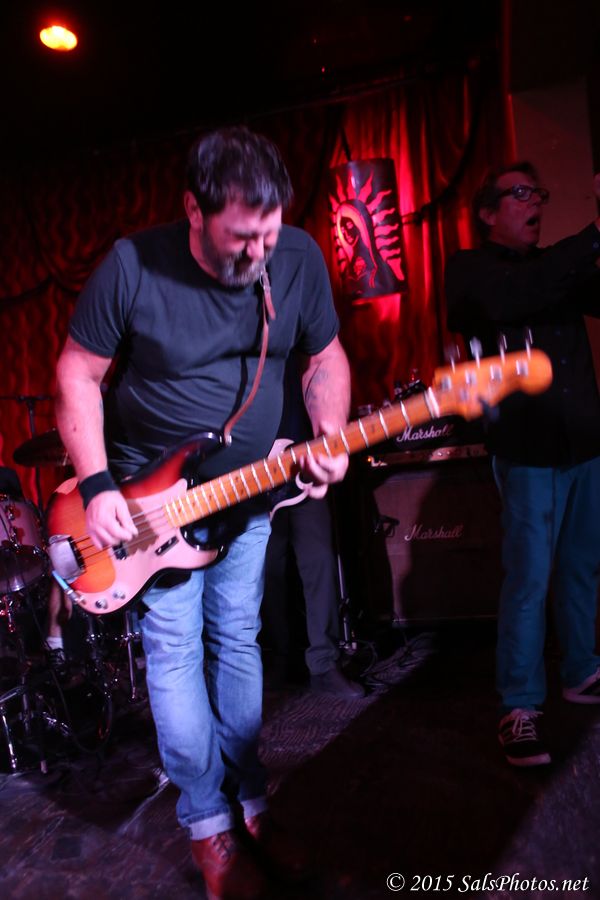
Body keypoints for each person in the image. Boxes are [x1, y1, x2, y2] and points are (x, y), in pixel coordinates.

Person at [54, 126, 350, 900]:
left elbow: (323, 357)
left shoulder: (298, 258)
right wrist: (98, 486)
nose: (259, 254)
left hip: (247, 492)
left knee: (239, 640)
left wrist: (329, 432)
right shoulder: (133, 266)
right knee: (178, 652)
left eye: (269, 233)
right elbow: (77, 373)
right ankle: (208, 827)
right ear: (193, 210)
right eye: (240, 237)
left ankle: (251, 806)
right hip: (149, 506)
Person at [445, 162, 600, 768]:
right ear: (487, 212)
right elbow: (516, 294)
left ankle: (582, 671)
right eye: (520, 193)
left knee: (582, 568)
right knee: (529, 579)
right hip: (527, 449)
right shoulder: (471, 270)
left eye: (538, 193)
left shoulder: (555, 267)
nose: (534, 202)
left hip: (584, 441)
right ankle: (519, 705)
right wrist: (593, 235)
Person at [261, 356, 364, 698]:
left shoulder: (297, 327)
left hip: (303, 455)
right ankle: (281, 657)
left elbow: (324, 368)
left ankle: (324, 664)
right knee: (267, 570)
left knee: (319, 560)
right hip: (255, 470)